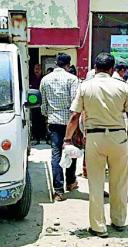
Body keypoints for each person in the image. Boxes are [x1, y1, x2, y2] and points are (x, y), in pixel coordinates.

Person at [63, 52, 128, 238]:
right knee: (119, 181)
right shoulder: (122, 87)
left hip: (95, 138)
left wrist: (67, 140)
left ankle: (98, 226)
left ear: (96, 67)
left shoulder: (85, 86)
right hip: (119, 138)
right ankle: (119, 221)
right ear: (111, 69)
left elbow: (75, 116)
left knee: (96, 183)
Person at [40, 53, 79, 202]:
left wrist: (48, 115)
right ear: (68, 65)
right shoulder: (72, 79)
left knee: (56, 154)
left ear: (56, 63)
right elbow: (75, 104)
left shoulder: (45, 79)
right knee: (71, 151)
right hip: (70, 121)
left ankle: (58, 190)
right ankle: (70, 182)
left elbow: (43, 105)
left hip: (53, 121)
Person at [29, 64, 47, 145]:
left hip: (42, 102)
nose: (37, 70)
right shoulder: (30, 78)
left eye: (39, 69)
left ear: (41, 70)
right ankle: (36, 137)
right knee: (34, 120)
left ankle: (43, 136)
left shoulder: (44, 78)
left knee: (42, 120)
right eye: (36, 68)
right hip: (33, 103)